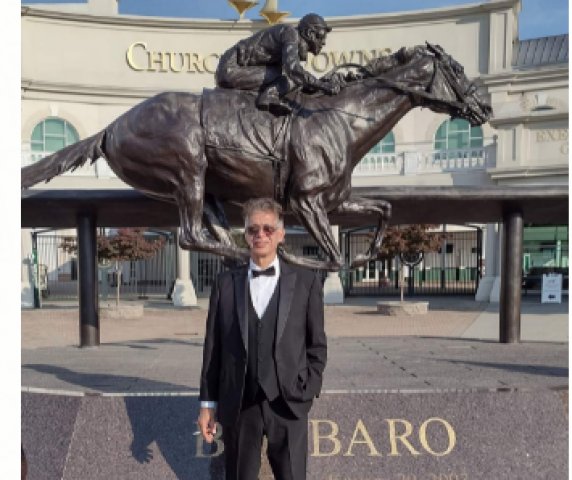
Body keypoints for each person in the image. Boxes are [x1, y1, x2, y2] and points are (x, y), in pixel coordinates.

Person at [197, 197, 327, 480]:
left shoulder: (306, 282)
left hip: (289, 401)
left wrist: (309, 387)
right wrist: (208, 404)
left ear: (280, 234)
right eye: (253, 229)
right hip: (240, 402)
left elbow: (316, 344)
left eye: (268, 229)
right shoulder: (225, 285)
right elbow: (213, 349)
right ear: (245, 235)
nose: (260, 235)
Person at [215, 13, 343, 115]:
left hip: (237, 69)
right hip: (231, 69)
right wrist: (322, 85)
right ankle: (269, 96)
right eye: (321, 36)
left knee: (292, 79)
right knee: (290, 78)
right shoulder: (290, 33)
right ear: (309, 33)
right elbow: (293, 70)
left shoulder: (291, 42)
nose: (324, 42)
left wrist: (320, 84)